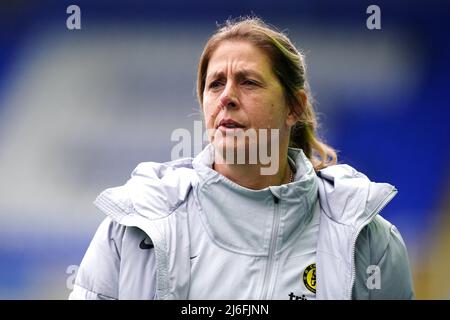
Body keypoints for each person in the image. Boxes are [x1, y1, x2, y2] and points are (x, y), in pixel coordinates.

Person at [69, 17, 414, 300]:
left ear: (294, 107)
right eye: (215, 84)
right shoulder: (132, 227)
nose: (227, 97)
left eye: (248, 82)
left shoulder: (366, 240)